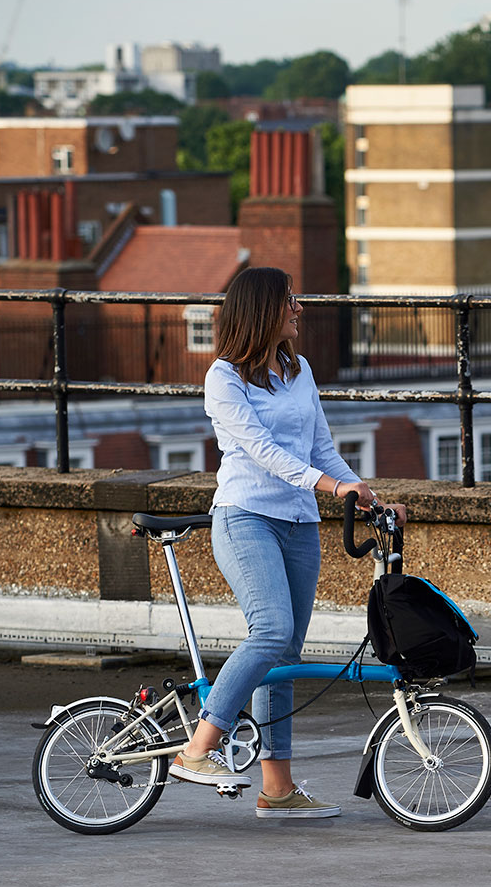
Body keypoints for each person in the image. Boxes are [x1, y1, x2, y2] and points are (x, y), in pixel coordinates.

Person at [170, 266, 406, 819]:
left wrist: (362, 493)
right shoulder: (223, 378)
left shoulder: (297, 370)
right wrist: (330, 486)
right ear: (264, 310)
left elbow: (321, 447)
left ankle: (277, 790)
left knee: (285, 659)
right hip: (245, 517)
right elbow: (261, 452)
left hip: (299, 526)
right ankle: (198, 748)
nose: (299, 310)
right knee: (270, 630)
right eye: (290, 302)